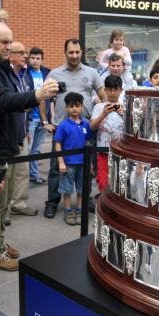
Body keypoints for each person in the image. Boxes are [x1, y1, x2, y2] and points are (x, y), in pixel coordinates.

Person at [0, 21, 58, 271]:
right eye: (4, 42)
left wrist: (27, 103)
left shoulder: (0, 67)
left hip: (7, 145)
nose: (8, 47)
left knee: (3, 202)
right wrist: (37, 96)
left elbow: (14, 99)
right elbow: (3, 99)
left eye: (10, 42)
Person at [44, 38, 105, 219]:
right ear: (65, 53)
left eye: (77, 52)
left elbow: (103, 95)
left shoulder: (92, 72)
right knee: (57, 168)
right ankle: (52, 202)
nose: (74, 55)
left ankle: (84, 200)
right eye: (71, 52)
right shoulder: (54, 74)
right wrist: (45, 121)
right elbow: (42, 97)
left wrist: (101, 114)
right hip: (61, 130)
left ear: (81, 52)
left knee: (86, 168)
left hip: (85, 129)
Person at [6, 41, 38, 219]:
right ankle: (4, 211)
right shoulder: (4, 76)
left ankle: (18, 204)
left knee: (22, 171)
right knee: (6, 174)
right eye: (21, 53)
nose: (26, 56)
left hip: (22, 131)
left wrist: (27, 126)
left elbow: (30, 101)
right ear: (11, 56)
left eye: (26, 52)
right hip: (7, 134)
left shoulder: (26, 76)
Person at [55, 92, 92, 225]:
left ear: (81, 107)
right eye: (71, 106)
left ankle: (80, 210)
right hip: (68, 164)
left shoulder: (86, 124)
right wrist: (61, 162)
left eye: (77, 106)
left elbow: (88, 143)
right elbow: (58, 144)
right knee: (67, 190)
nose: (74, 109)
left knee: (82, 189)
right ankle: (68, 211)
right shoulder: (63, 125)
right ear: (67, 108)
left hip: (83, 163)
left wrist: (90, 163)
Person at [90, 75, 125, 193]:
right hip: (102, 150)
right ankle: (103, 199)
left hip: (120, 151)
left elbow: (132, 129)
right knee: (103, 179)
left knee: (119, 180)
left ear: (121, 90)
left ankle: (114, 201)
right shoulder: (99, 107)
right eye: (109, 89)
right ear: (105, 90)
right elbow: (92, 127)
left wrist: (124, 114)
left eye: (116, 89)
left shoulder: (125, 106)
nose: (113, 92)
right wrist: (103, 114)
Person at [27, 47, 52, 184]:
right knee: (27, 149)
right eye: (32, 58)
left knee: (36, 150)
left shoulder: (47, 73)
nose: (35, 61)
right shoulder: (25, 73)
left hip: (43, 118)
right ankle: (23, 178)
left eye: (38, 58)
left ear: (42, 60)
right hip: (30, 117)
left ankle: (34, 175)